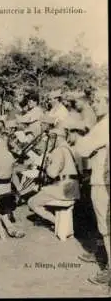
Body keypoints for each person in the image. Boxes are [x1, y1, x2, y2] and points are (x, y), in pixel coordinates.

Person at [74, 90, 110, 286]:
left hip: (102, 180)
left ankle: (109, 270)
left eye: (97, 100)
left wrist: (85, 137)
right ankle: (102, 255)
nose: (93, 104)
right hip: (104, 178)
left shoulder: (103, 125)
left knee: (106, 227)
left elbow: (82, 149)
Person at [27, 127, 81, 228]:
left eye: (52, 138)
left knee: (32, 202)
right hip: (74, 188)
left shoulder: (58, 151)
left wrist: (48, 164)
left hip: (63, 189)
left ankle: (58, 223)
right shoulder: (71, 149)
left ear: (58, 138)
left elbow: (52, 174)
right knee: (46, 192)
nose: (50, 141)